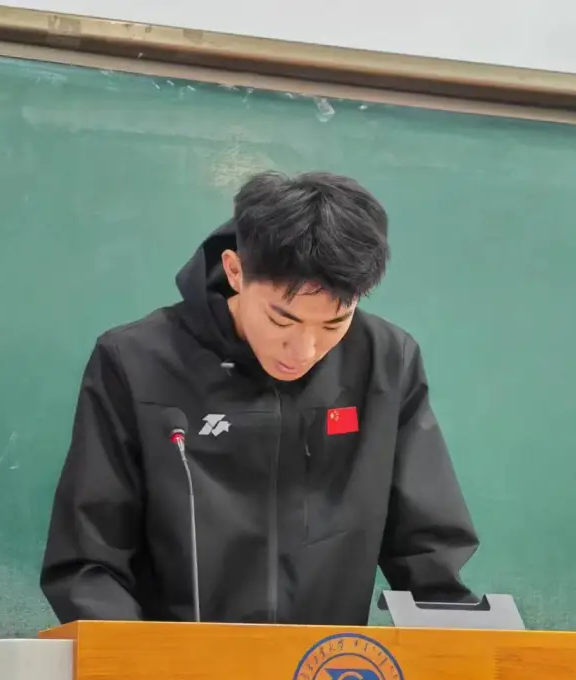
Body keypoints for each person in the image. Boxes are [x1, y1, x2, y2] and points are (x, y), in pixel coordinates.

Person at [40, 170, 479, 625]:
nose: (304, 351)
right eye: (282, 320)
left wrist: (467, 645)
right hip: (170, 663)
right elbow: (90, 561)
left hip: (323, 668)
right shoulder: (136, 361)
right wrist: (138, 661)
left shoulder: (384, 361)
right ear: (235, 271)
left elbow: (429, 551)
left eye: (334, 324)